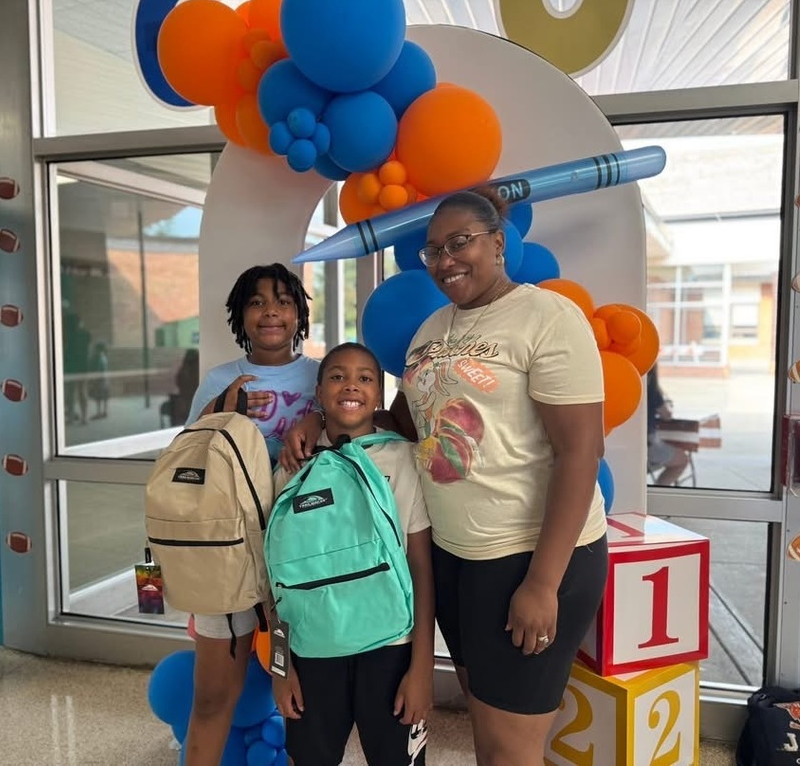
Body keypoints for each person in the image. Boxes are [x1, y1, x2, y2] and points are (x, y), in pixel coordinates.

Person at [282, 190, 609, 766]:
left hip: (527, 557)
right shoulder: (433, 326)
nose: (445, 260)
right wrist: (320, 416)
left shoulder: (548, 316)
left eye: (461, 243)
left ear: (499, 242)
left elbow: (580, 454)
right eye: (434, 250)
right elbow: (404, 423)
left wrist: (542, 583)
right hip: (457, 559)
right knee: (486, 728)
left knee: (511, 749)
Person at [271, 342, 434, 766]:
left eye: (365, 378)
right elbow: (273, 582)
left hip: (392, 648)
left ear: (379, 396)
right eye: (338, 376)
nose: (352, 385)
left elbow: (420, 568)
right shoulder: (292, 466)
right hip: (311, 652)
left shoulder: (402, 459)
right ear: (320, 393)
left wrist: (422, 669)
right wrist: (280, 667)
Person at [184, 263, 319, 766]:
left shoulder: (317, 375)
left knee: (302, 689)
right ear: (241, 314)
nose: (271, 312)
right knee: (216, 695)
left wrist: (318, 414)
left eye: (283, 301)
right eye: (257, 302)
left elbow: (356, 424)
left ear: (299, 313)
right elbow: (186, 458)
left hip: (302, 558)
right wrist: (224, 408)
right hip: (231, 559)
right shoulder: (221, 379)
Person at [646, 365, 691, 485]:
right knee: (683, 460)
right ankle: (660, 488)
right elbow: (666, 415)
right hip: (649, 446)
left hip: (633, 449)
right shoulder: (651, 389)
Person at [88, 341, 109, 420]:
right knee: (104, 396)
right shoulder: (104, 357)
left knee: (99, 397)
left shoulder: (99, 358)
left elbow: (98, 369)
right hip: (105, 379)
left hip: (100, 380)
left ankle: (99, 412)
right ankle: (105, 411)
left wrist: (93, 379)